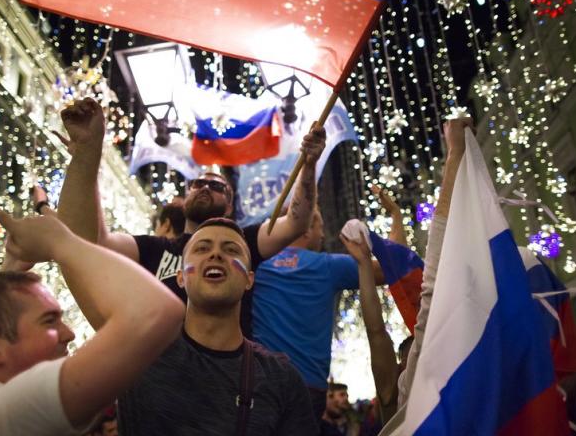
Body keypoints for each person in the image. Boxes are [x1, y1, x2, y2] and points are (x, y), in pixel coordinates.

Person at [0, 202, 184, 435]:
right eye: (49, 321)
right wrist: (59, 241)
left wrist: (9, 271)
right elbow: (155, 312)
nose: (69, 333)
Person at [55, 97, 325, 336]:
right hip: (161, 369)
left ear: (229, 207)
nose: (206, 187)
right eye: (198, 184)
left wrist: (309, 164)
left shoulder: (244, 242)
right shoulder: (152, 249)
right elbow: (88, 241)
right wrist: (86, 157)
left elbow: (296, 222)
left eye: (217, 186)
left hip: (228, 373)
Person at [114, 217, 318, 435]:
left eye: (231, 250)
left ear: (249, 280)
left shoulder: (281, 380)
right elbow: (79, 246)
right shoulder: (140, 354)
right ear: (180, 277)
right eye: (202, 248)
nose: (216, 254)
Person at [344, 118, 469, 429]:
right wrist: (454, 155)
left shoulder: (457, 376)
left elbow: (399, 268)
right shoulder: (401, 398)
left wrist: (397, 216)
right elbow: (377, 331)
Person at [251, 202, 401, 424]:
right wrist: (396, 216)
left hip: (259, 385)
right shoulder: (326, 266)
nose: (322, 235)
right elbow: (393, 266)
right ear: (306, 228)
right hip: (307, 389)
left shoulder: (255, 266)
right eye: (320, 227)